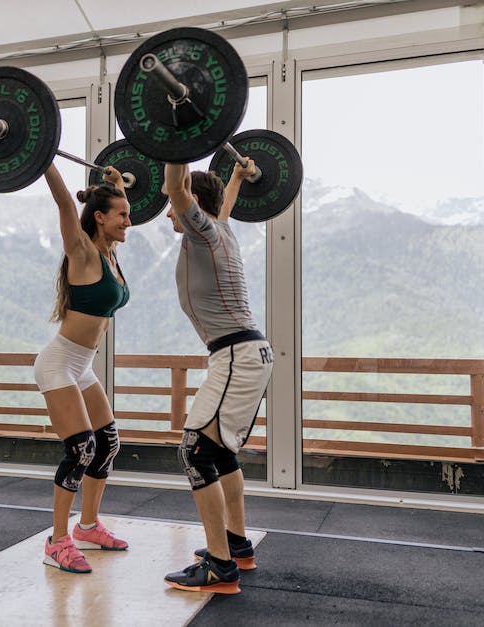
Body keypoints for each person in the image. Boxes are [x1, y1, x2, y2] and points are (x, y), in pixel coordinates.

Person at [161, 159, 274, 594]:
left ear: (192, 204)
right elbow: (222, 204)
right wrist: (238, 178)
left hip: (236, 356)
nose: (169, 211)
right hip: (245, 352)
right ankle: (236, 544)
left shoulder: (204, 231)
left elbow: (176, 186)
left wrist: (178, 146)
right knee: (220, 451)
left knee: (194, 454)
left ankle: (220, 567)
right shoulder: (221, 229)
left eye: (175, 206)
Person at [33, 163, 132, 574]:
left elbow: (114, 202)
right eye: (123, 214)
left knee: (107, 442)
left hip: (83, 365)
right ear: (99, 218)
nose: (130, 220)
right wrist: (43, 159)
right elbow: (62, 201)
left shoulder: (110, 252)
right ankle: (57, 541)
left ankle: (87, 526)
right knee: (81, 449)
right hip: (59, 363)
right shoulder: (83, 251)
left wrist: (116, 185)